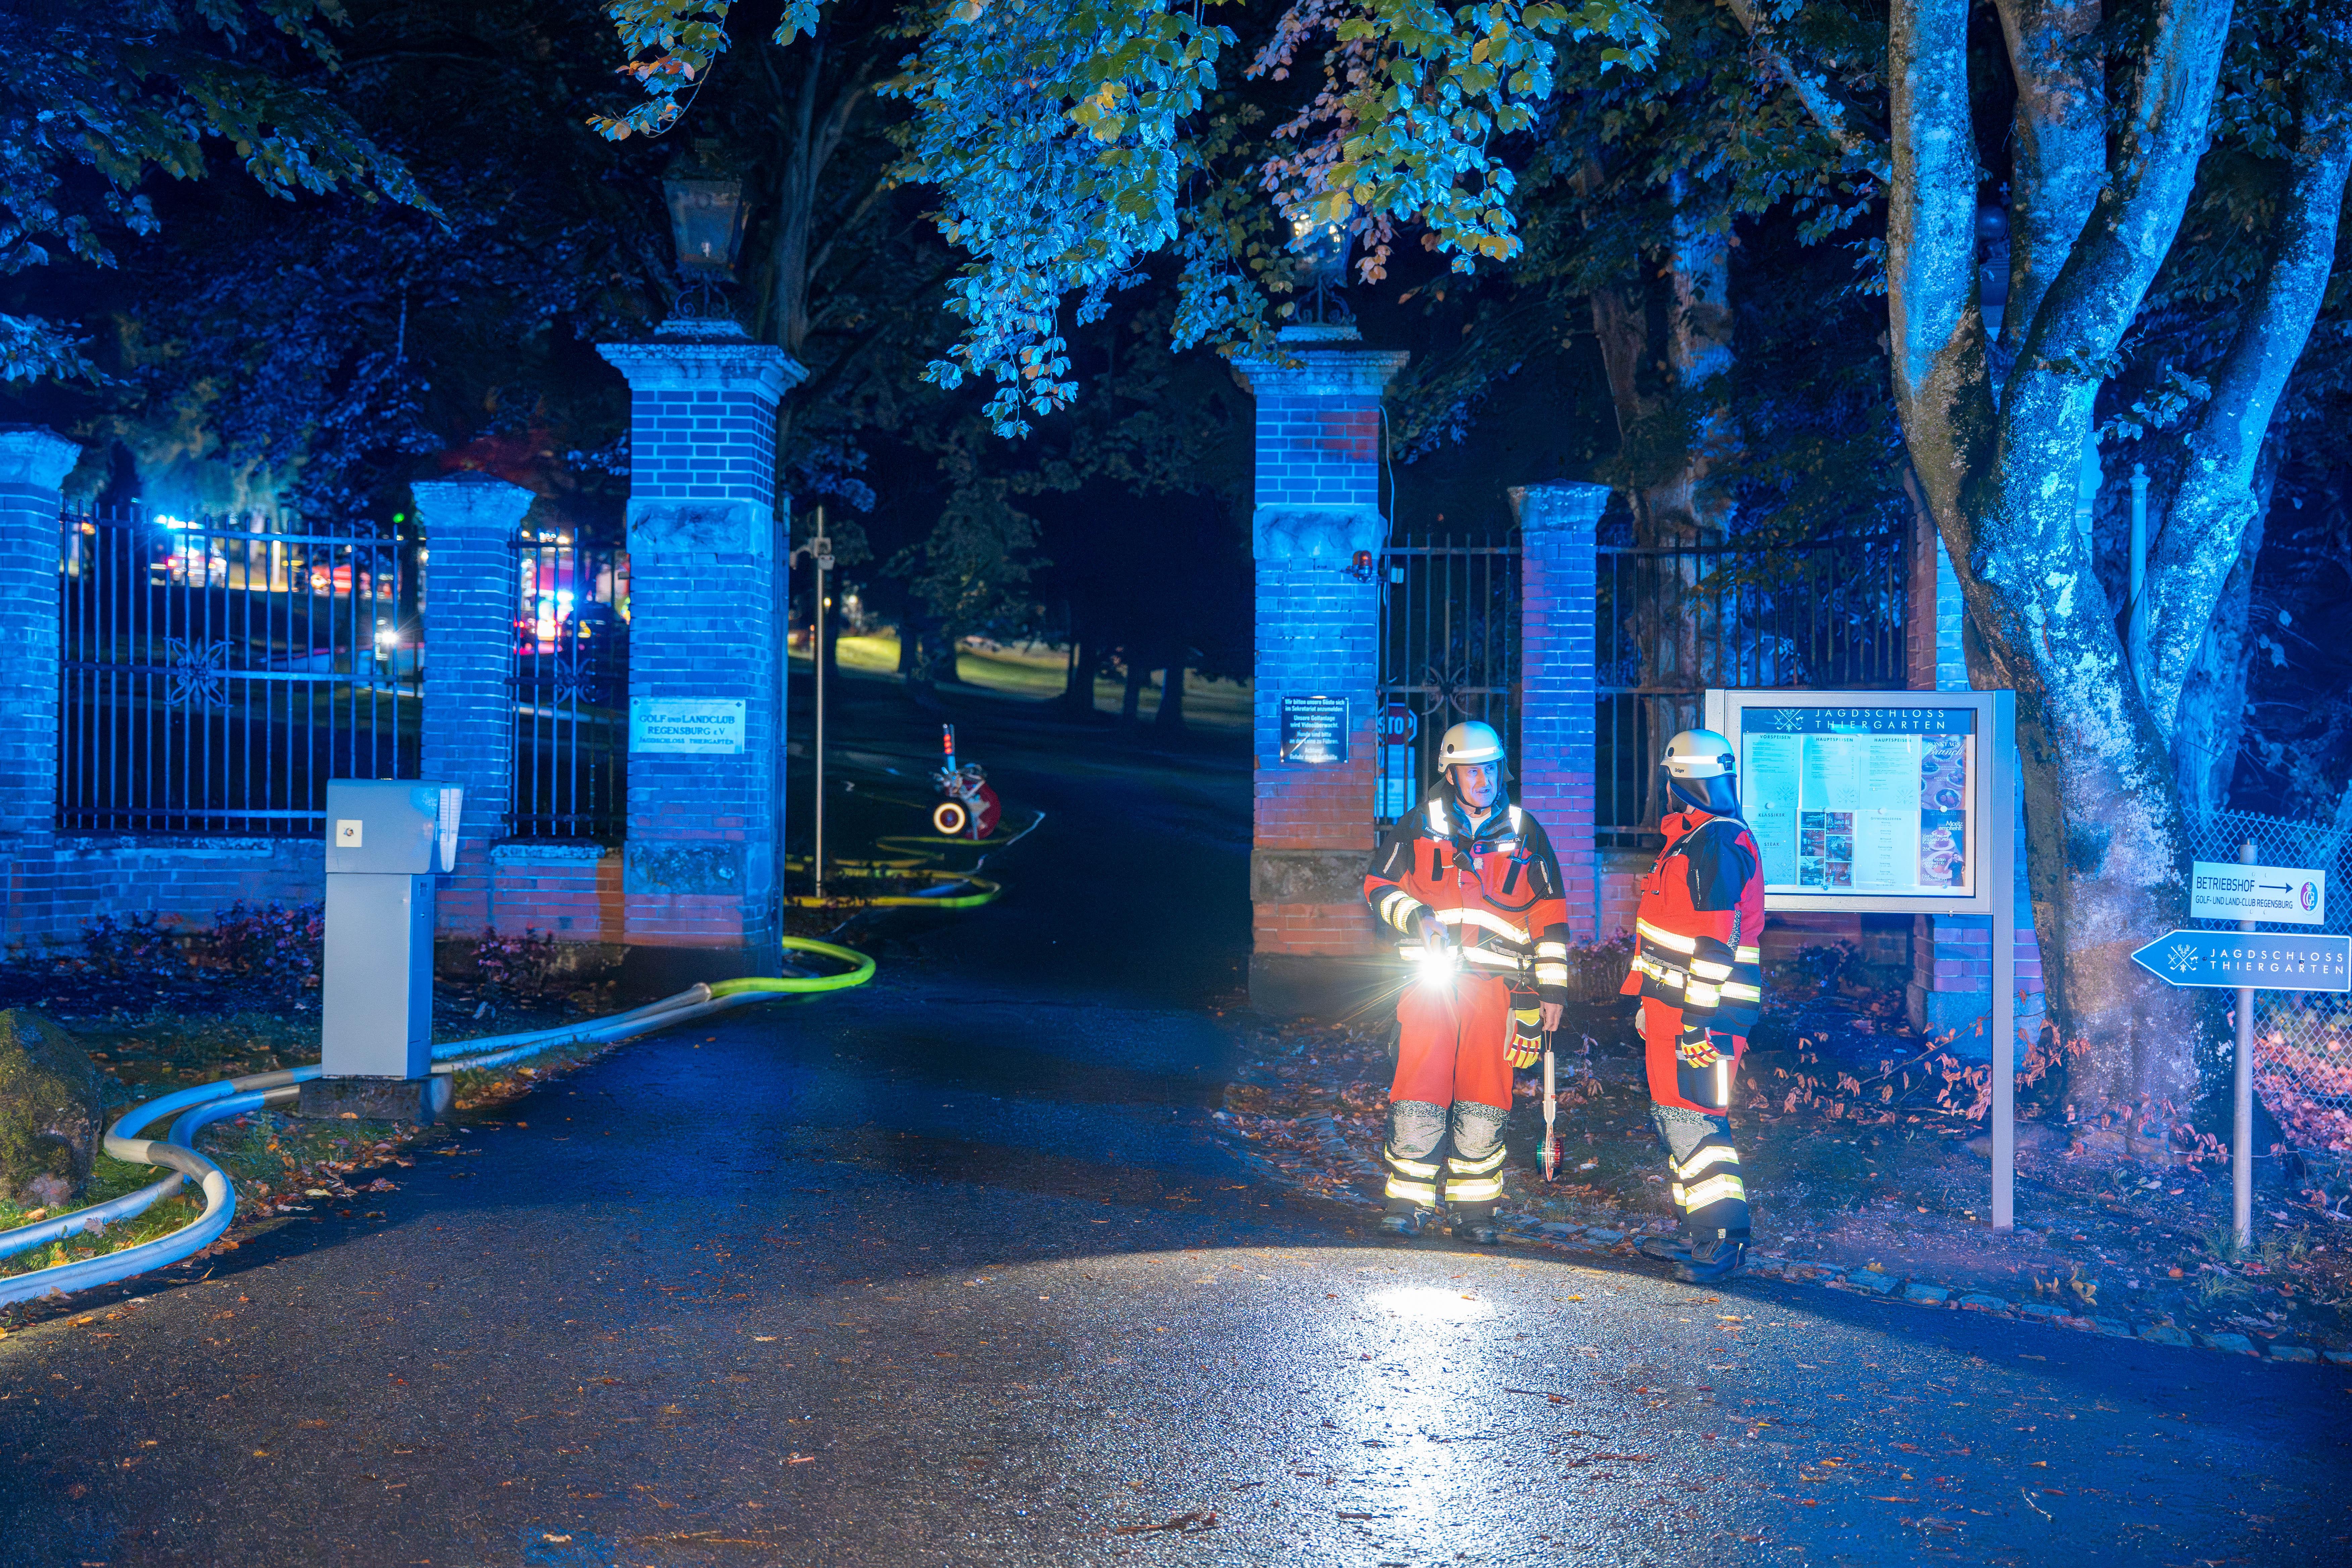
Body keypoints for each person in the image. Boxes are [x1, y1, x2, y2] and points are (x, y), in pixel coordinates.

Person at [1363, 721, 1570, 1242]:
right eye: (1471, 769)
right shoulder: (1418, 825)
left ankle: (1474, 1211)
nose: (1483, 778)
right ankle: (1406, 1204)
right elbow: (1378, 887)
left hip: (1499, 991)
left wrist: (1552, 991)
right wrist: (1416, 918)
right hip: (1430, 985)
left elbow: (1550, 918)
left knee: (1486, 1095)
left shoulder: (1527, 833)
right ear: (1450, 774)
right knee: (1418, 1087)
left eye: (1491, 768)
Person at [1621, 728, 1766, 1283]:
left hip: (1703, 1015)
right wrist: (1648, 999)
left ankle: (1726, 1242)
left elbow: (1714, 944)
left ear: (1679, 782)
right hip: (1674, 1009)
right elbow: (1667, 934)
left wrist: (1696, 1023)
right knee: (1679, 1120)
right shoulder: (1696, 839)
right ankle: (1703, 1233)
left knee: (1701, 1125)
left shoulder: (1716, 844)